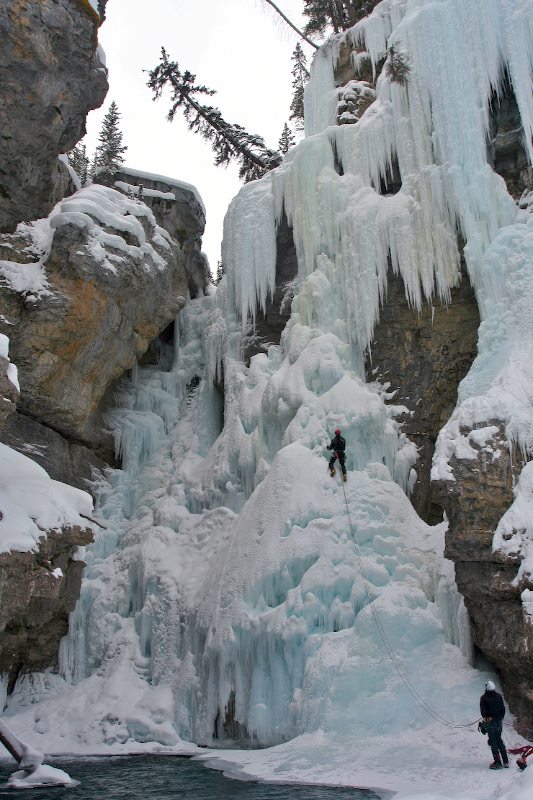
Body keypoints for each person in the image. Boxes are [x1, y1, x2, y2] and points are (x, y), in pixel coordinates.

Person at [480, 680, 509, 769]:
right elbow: (503, 710)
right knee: (499, 739)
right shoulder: (499, 696)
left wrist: (487, 719)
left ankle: (497, 763)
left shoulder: (484, 698)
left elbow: (483, 713)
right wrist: (499, 718)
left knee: (493, 742)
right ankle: (505, 761)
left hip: (490, 722)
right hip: (498, 722)